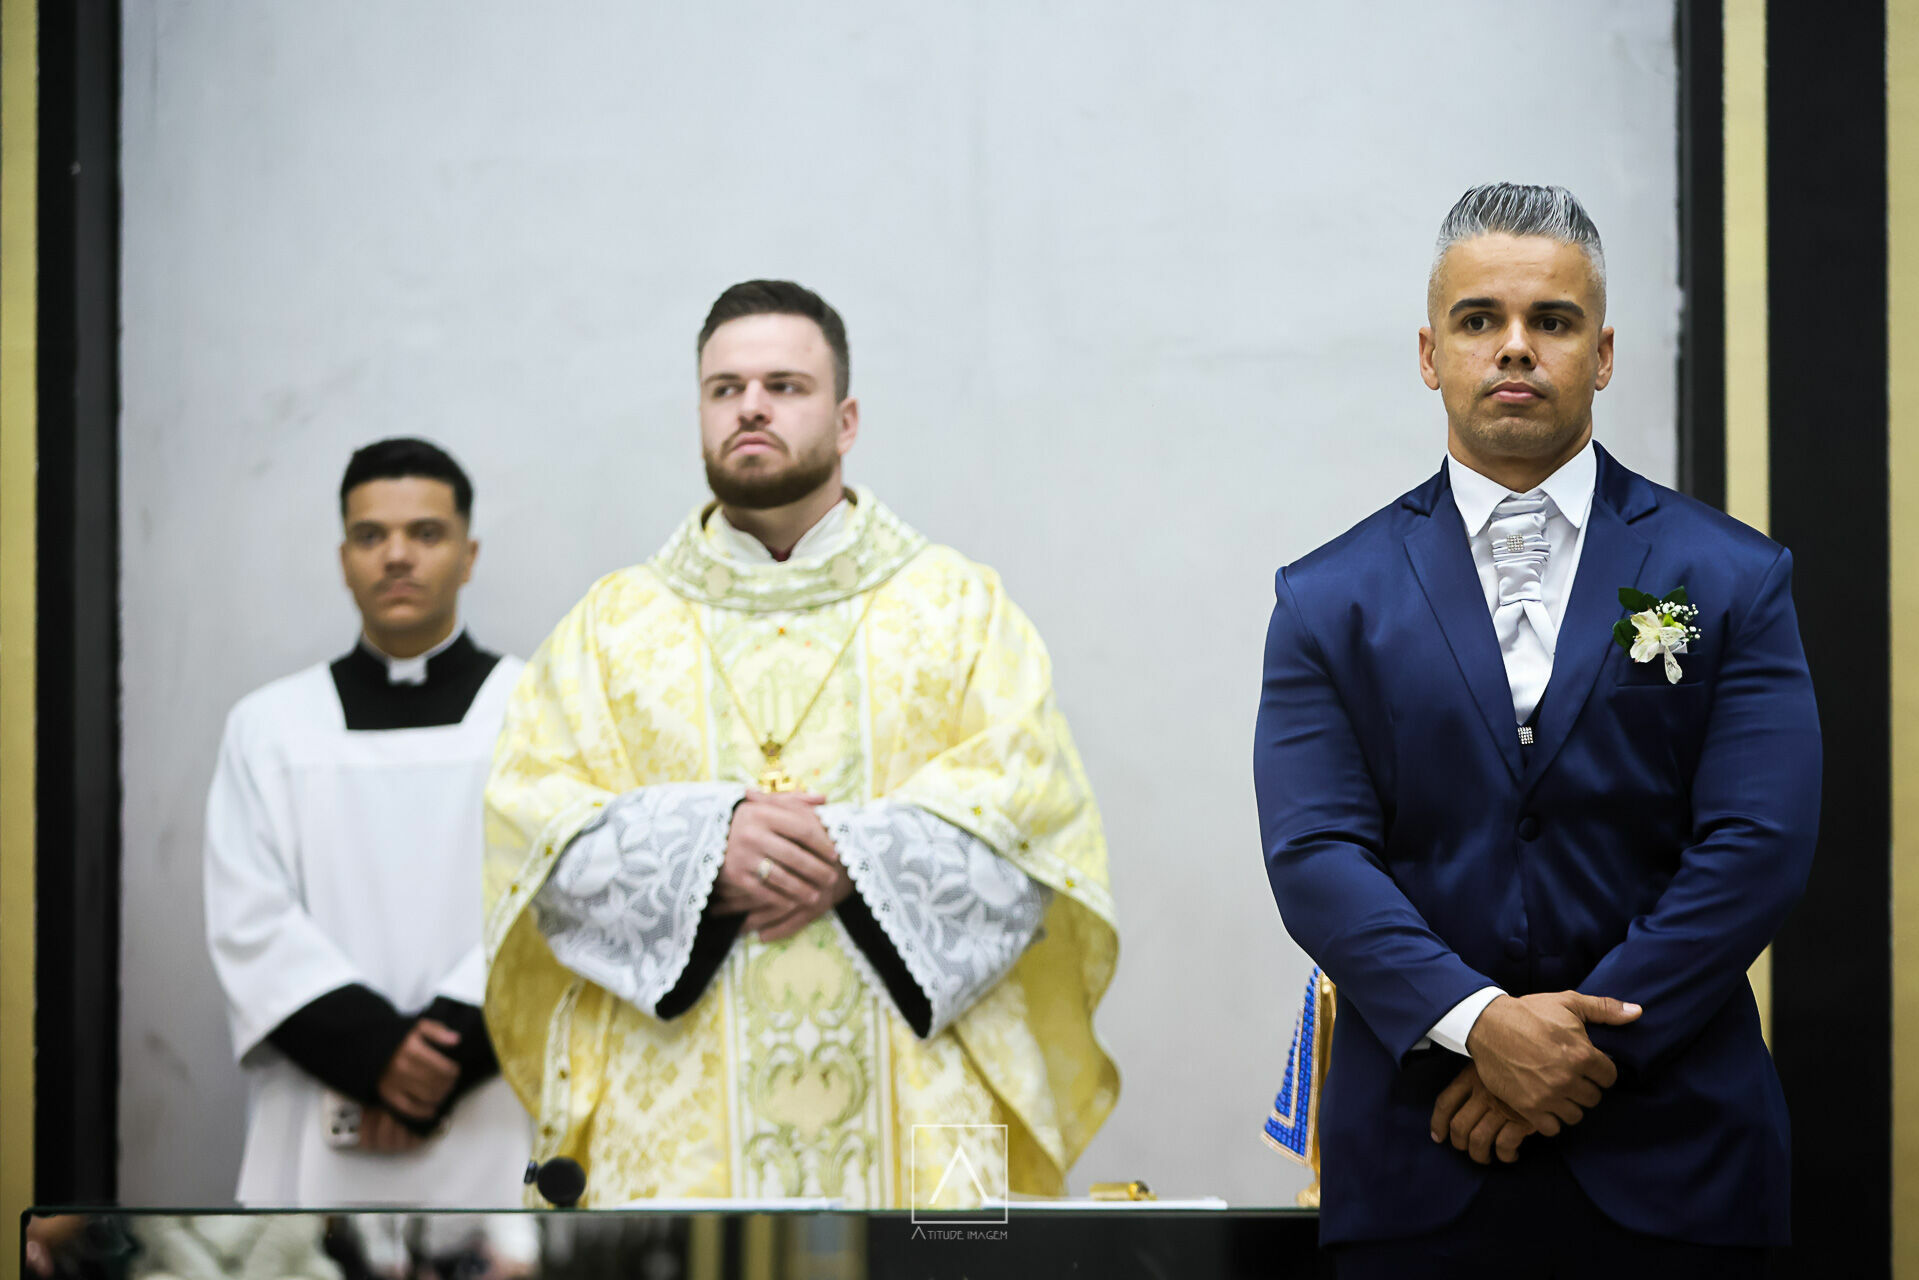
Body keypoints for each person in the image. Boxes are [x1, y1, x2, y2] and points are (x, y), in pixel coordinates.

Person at [1254, 185, 1819, 1276]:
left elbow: (1757, 844)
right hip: (1422, 1154)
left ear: (1599, 354)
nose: (1513, 348)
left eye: (1550, 322)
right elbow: (1314, 855)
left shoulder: (1732, 576)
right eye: (1478, 320)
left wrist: (1574, 1049)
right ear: (1429, 353)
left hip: (1678, 1156)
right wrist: (1477, 1024)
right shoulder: (1326, 598)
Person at [482, 280, 1117, 1207]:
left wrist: (854, 857)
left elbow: (1035, 824)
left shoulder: (956, 607)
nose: (750, 405)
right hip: (678, 1115)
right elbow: (531, 833)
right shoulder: (611, 628)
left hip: (928, 1101)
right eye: (724, 387)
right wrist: (706, 846)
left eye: (784, 385)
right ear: (699, 413)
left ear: (845, 416)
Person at [205, 438, 532, 1206]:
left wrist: (441, 1051)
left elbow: (558, 904)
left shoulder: (539, 713)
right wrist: (375, 1054)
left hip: (491, 1096)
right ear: (343, 556)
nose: (396, 556)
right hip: (316, 1104)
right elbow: (248, 921)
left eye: (425, 533)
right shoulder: (269, 727)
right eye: (370, 535)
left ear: (468, 553)